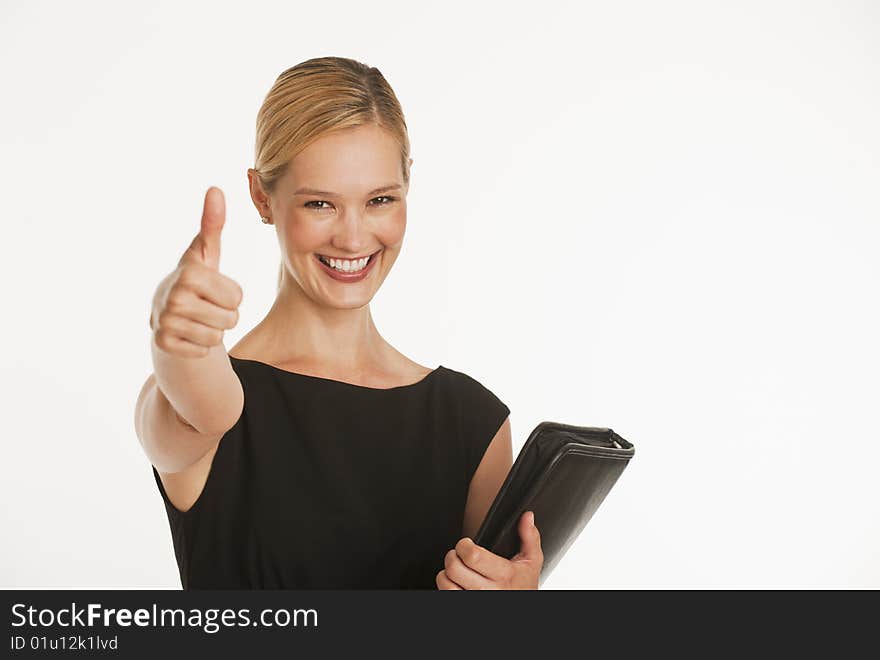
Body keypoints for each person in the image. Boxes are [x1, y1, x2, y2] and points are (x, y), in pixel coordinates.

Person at [134, 56, 543, 589]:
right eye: (320, 204)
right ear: (262, 197)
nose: (353, 239)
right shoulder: (218, 403)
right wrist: (177, 338)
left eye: (379, 200)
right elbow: (196, 402)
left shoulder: (472, 423)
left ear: (407, 187)